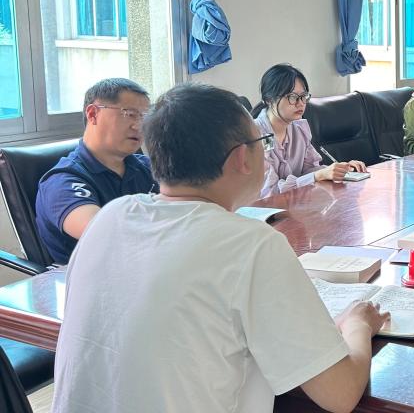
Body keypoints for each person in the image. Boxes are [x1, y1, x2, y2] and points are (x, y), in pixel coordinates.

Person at [52, 83, 389, 413]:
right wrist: (358, 324)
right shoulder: (251, 244)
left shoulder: (110, 217)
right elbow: (340, 394)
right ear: (242, 157)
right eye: (262, 143)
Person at [35, 78, 156, 264]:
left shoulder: (146, 167)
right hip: (94, 278)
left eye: (144, 117)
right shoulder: (63, 181)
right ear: (93, 114)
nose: (139, 126)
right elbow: (103, 234)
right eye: (130, 114)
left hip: (149, 266)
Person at [254, 64, 367, 198]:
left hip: (297, 205)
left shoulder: (299, 129)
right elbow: (271, 192)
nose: (301, 103)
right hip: (266, 208)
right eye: (292, 97)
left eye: (303, 96)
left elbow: (309, 170)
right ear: (269, 100)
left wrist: (340, 170)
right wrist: (318, 175)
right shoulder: (257, 135)